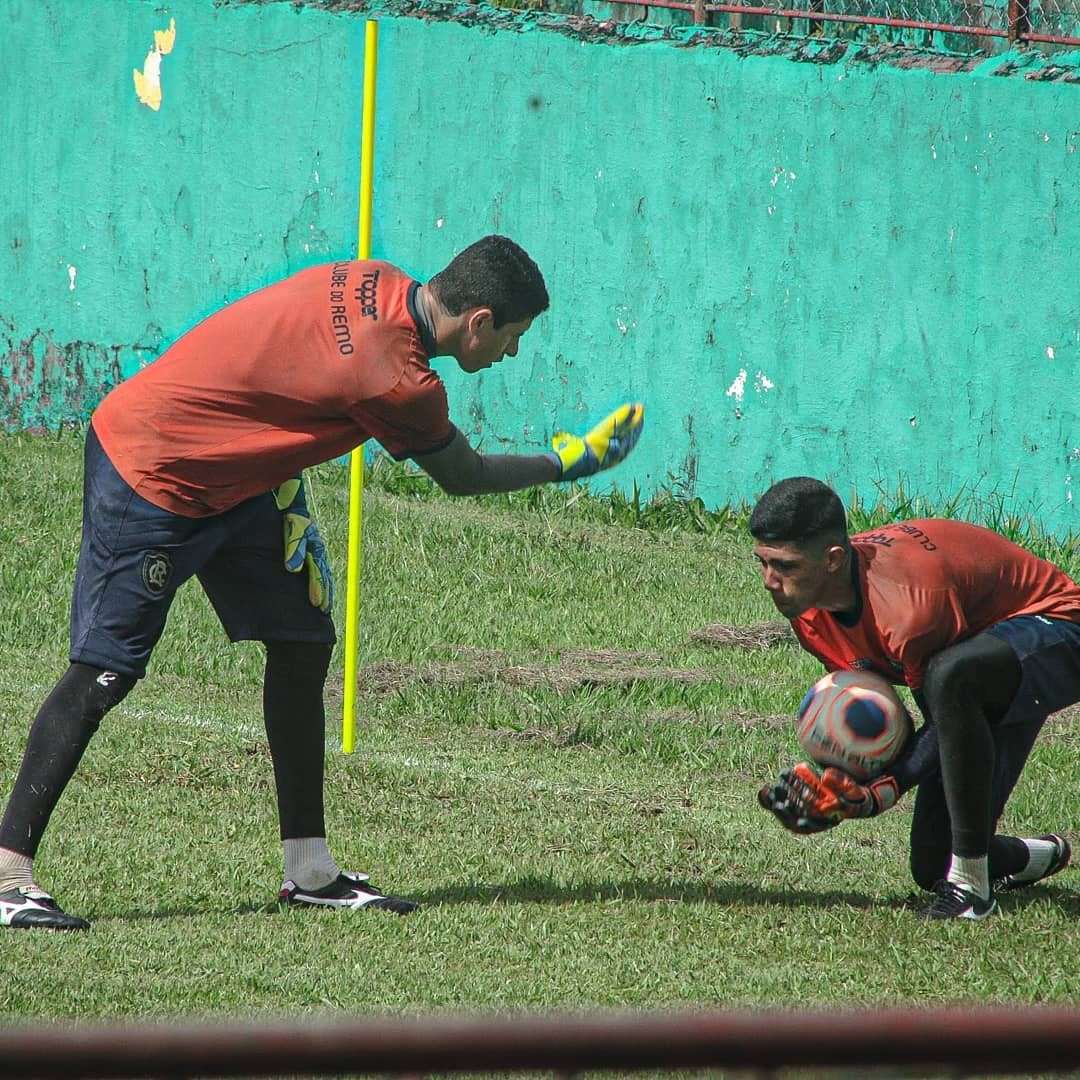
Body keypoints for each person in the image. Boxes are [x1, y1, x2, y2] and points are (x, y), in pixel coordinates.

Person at [0, 235, 644, 931]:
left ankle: (309, 871)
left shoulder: (376, 277)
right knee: (105, 670)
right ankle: (7, 876)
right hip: (158, 468)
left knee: (303, 640)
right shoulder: (401, 379)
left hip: (242, 473)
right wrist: (565, 462)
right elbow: (464, 476)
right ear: (479, 321)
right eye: (513, 337)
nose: (512, 354)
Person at [752, 476, 1076, 920]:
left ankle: (973, 892)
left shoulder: (908, 605)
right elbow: (894, 721)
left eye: (785, 566)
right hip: (976, 666)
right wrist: (839, 785)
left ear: (832, 559)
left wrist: (882, 791)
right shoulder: (808, 612)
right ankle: (1039, 855)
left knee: (950, 676)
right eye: (763, 563)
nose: (770, 581)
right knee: (932, 865)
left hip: (1057, 625)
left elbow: (944, 718)